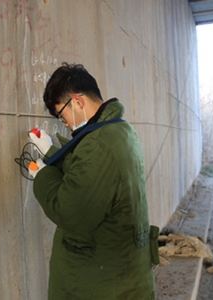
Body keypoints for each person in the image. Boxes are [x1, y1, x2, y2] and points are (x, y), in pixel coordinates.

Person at [28, 63, 159, 300]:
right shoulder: (120, 130)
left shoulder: (98, 145)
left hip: (102, 286)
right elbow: (90, 179)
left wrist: (42, 175)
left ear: (77, 102)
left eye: (61, 114)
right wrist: (50, 153)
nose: (63, 123)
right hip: (124, 278)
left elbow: (70, 213)